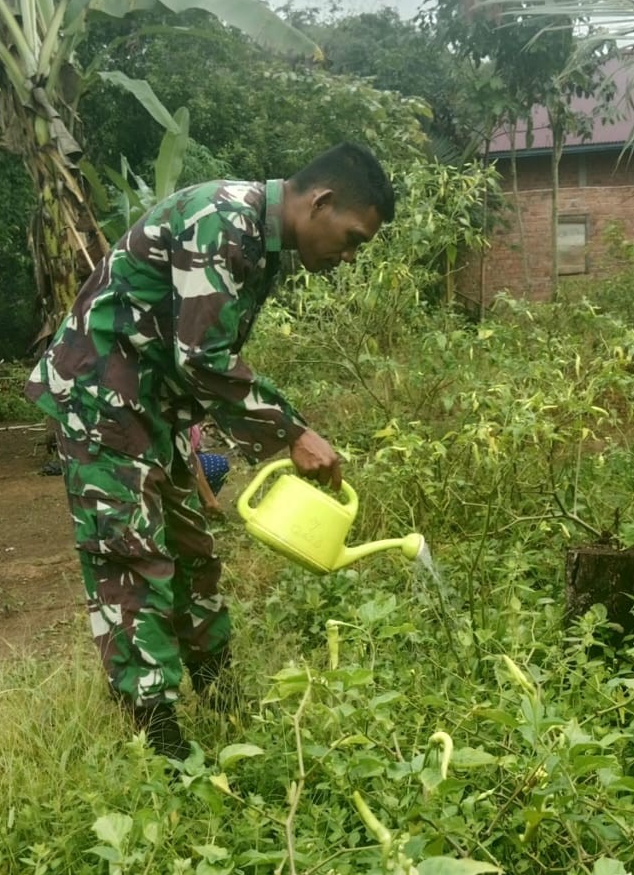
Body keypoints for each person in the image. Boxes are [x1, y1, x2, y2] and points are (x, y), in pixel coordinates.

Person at [26, 142, 395, 759]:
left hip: (149, 405)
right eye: (352, 236)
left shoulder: (264, 240)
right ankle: (160, 738)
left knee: (192, 549)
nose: (350, 253)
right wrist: (290, 432)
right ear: (321, 201)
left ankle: (219, 693)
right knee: (132, 554)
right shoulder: (223, 220)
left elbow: (194, 352)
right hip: (101, 396)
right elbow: (203, 361)